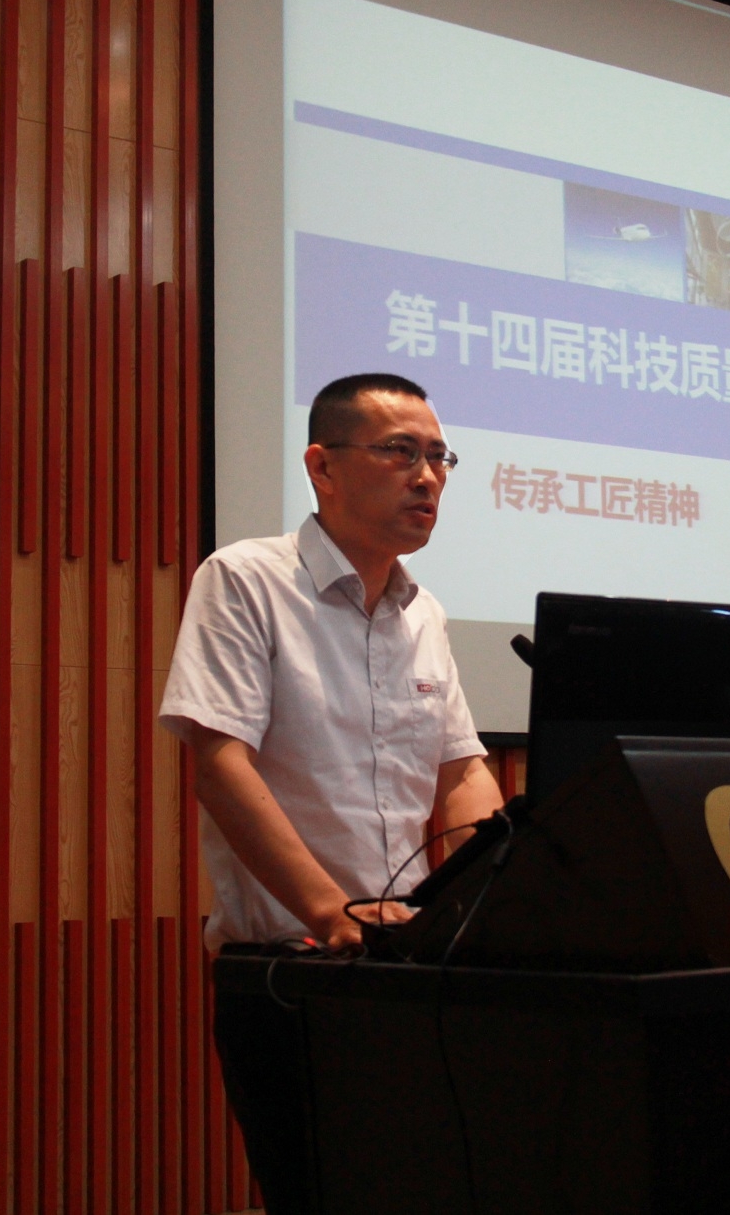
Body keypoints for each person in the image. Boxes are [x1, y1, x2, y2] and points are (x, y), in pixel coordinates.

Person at [158, 372, 504, 1214]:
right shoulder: (246, 579)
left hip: (407, 974)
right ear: (323, 466)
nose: (427, 476)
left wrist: (497, 905)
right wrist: (332, 912)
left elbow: (463, 772)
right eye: (400, 452)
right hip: (292, 973)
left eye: (439, 457)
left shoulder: (425, 614)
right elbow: (220, 764)